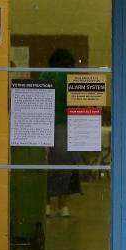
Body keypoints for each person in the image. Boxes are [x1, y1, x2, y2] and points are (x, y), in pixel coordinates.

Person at [42, 49, 82, 217]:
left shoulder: (45, 76)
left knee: (48, 166)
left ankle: (47, 204)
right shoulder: (72, 77)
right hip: (67, 125)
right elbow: (80, 103)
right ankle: (63, 205)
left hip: (46, 124)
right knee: (66, 167)